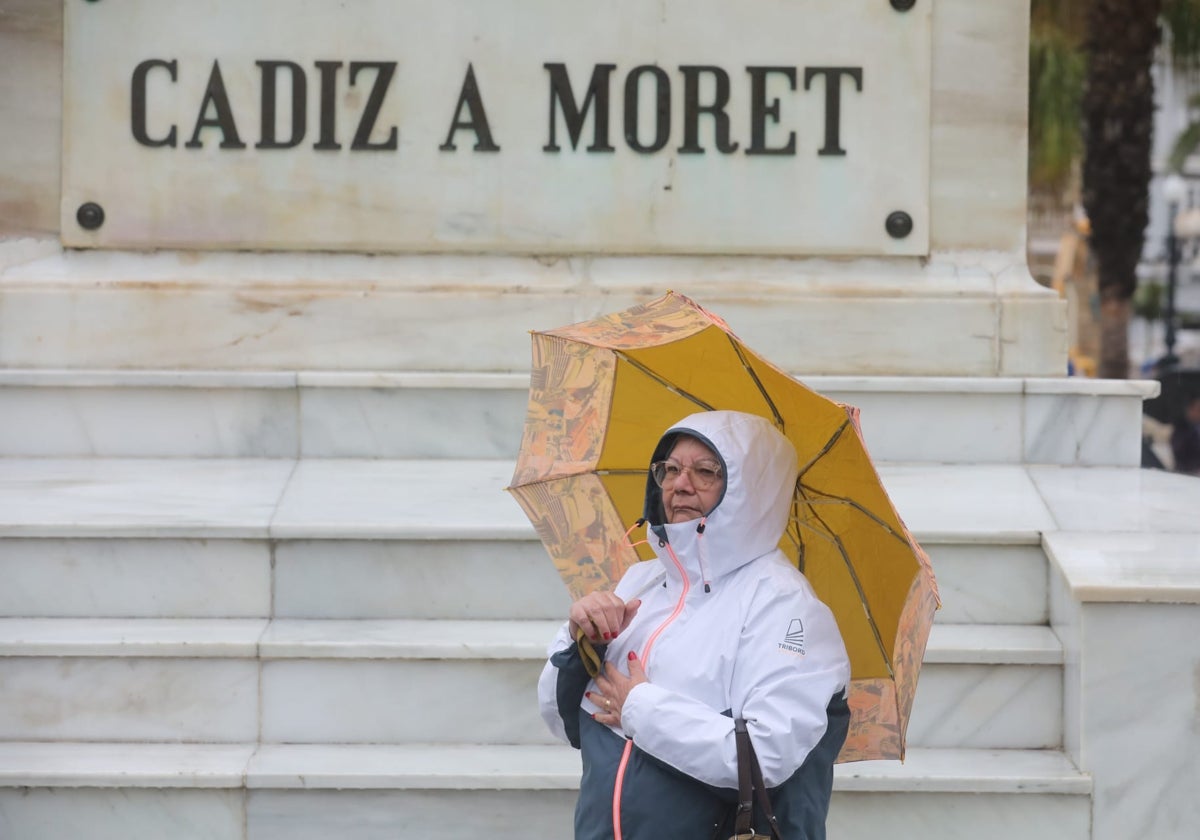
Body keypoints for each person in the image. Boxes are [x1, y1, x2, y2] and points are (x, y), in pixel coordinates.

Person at [538, 410, 851, 840]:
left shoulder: (784, 603)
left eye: (706, 472)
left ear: (750, 491)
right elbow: (562, 721)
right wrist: (579, 644)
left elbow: (765, 757)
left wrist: (640, 708)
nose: (680, 484)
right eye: (670, 469)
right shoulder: (641, 581)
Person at [1171, 393, 1200, 475]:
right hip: (1187, 472)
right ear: (1189, 410)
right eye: (1198, 410)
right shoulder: (1181, 427)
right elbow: (1179, 451)